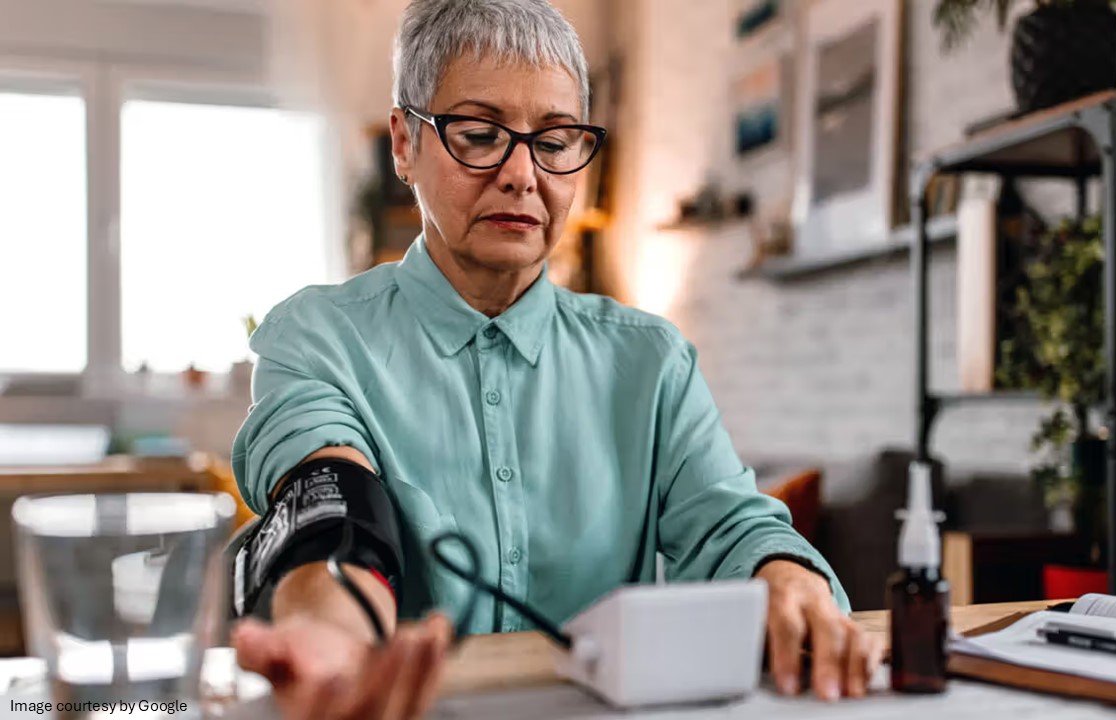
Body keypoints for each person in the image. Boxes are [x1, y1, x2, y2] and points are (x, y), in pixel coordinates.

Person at [229, 1, 881, 718]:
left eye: (557, 140)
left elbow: (729, 525)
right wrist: (332, 631)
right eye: (479, 135)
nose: (521, 173)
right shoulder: (317, 336)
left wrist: (784, 574)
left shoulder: (651, 361)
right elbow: (331, 512)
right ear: (404, 143)